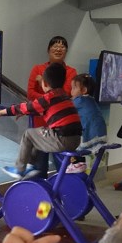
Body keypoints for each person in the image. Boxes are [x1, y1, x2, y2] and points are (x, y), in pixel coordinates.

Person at [0, 62, 82, 180]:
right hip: (75, 140)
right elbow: (46, 111)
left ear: (44, 83)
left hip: (61, 139)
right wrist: (26, 112)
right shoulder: (64, 97)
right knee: (38, 133)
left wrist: (1, 112)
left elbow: (24, 107)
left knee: (28, 134)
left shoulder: (48, 98)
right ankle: (31, 166)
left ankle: (20, 169)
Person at [27, 36, 78, 177]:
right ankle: (40, 191)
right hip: (40, 125)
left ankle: (65, 190)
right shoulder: (37, 69)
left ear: (66, 51)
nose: (58, 49)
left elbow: (66, 93)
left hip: (62, 127)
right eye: (55, 46)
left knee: (64, 167)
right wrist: (52, 97)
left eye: (62, 47)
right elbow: (30, 94)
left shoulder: (71, 72)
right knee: (38, 168)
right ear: (48, 49)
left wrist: (42, 84)